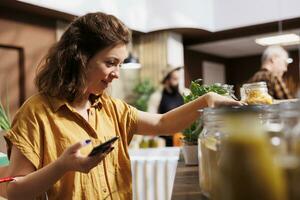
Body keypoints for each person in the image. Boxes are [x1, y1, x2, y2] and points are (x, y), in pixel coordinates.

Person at [2, 12, 241, 200]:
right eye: (110, 63)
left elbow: (162, 123)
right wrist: (62, 166)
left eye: (121, 64)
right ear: (80, 58)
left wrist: (207, 100)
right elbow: (14, 192)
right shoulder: (35, 113)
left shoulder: (112, 108)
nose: (117, 74)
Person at [148, 66, 188, 146]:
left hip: (183, 138)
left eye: (178, 79)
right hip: (164, 140)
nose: (177, 82)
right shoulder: (156, 97)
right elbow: (151, 118)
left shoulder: (185, 93)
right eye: (174, 79)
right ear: (167, 80)